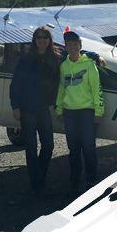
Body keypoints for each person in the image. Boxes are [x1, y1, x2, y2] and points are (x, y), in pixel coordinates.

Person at [9, 28, 105, 199]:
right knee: (31, 148)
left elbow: (75, 51)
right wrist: (15, 106)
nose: (42, 40)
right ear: (34, 39)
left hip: (43, 108)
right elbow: (15, 82)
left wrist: (94, 55)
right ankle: (38, 184)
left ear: (50, 39)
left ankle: (41, 180)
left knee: (48, 146)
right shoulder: (26, 57)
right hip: (27, 108)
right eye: (39, 37)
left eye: (45, 37)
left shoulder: (56, 55)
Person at [55, 31, 105, 197]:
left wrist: (98, 111)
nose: (73, 47)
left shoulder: (90, 64)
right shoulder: (64, 66)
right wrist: (59, 109)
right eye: (69, 45)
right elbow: (62, 89)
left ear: (80, 46)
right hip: (70, 113)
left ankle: (91, 180)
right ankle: (74, 180)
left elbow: (96, 88)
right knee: (73, 150)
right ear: (66, 47)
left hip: (87, 113)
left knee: (89, 149)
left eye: (75, 44)